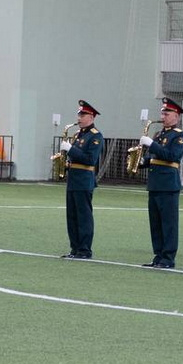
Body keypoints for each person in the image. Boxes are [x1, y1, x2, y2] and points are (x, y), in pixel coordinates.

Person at [140, 97, 183, 269]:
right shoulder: (159, 134)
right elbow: (155, 157)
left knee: (168, 223)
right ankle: (158, 255)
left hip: (168, 184)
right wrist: (141, 160)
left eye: (167, 113)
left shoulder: (180, 135)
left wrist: (152, 144)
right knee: (156, 223)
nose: (163, 116)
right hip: (155, 183)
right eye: (163, 112)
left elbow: (172, 156)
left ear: (176, 116)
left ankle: (168, 258)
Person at [59, 100, 104, 259]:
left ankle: (85, 250)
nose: (79, 117)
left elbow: (90, 159)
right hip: (73, 179)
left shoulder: (96, 136)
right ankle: (75, 248)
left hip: (84, 179)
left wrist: (70, 149)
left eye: (82, 114)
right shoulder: (78, 134)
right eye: (79, 114)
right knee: (72, 216)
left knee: (83, 216)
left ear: (91, 116)